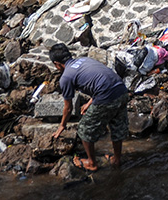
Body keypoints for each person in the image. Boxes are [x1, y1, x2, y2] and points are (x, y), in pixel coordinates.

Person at [49, 43, 129, 171]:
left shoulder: (66, 77)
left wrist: (62, 126)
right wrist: (90, 103)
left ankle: (92, 163)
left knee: (84, 130)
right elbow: (101, 80)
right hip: (122, 91)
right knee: (117, 126)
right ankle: (117, 159)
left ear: (56, 64)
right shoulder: (84, 60)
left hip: (106, 97)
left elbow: (68, 108)